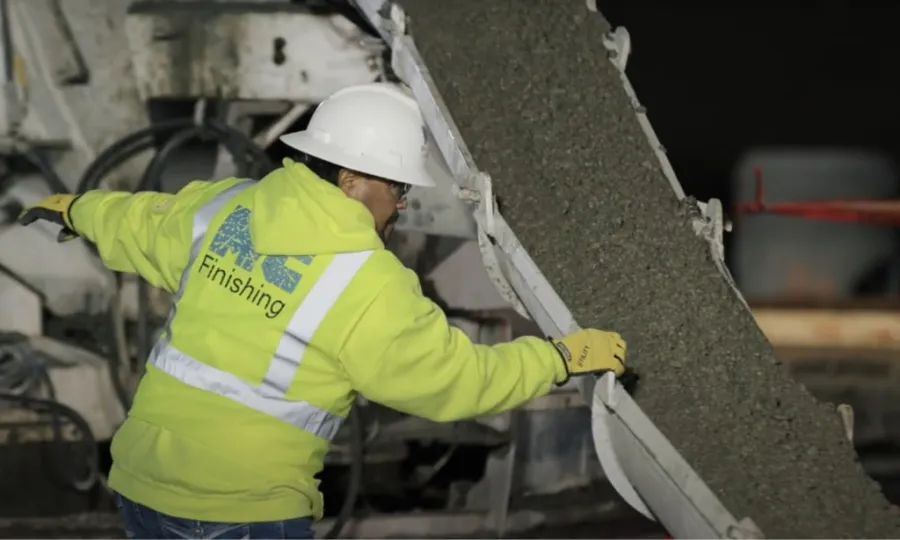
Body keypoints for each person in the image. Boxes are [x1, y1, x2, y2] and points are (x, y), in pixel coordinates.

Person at [18, 82, 628, 539]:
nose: (403, 207)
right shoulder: (369, 282)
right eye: (398, 188)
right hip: (241, 510)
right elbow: (456, 383)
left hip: (141, 491)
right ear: (350, 180)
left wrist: (77, 211)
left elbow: (141, 224)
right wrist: (558, 358)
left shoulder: (228, 206)